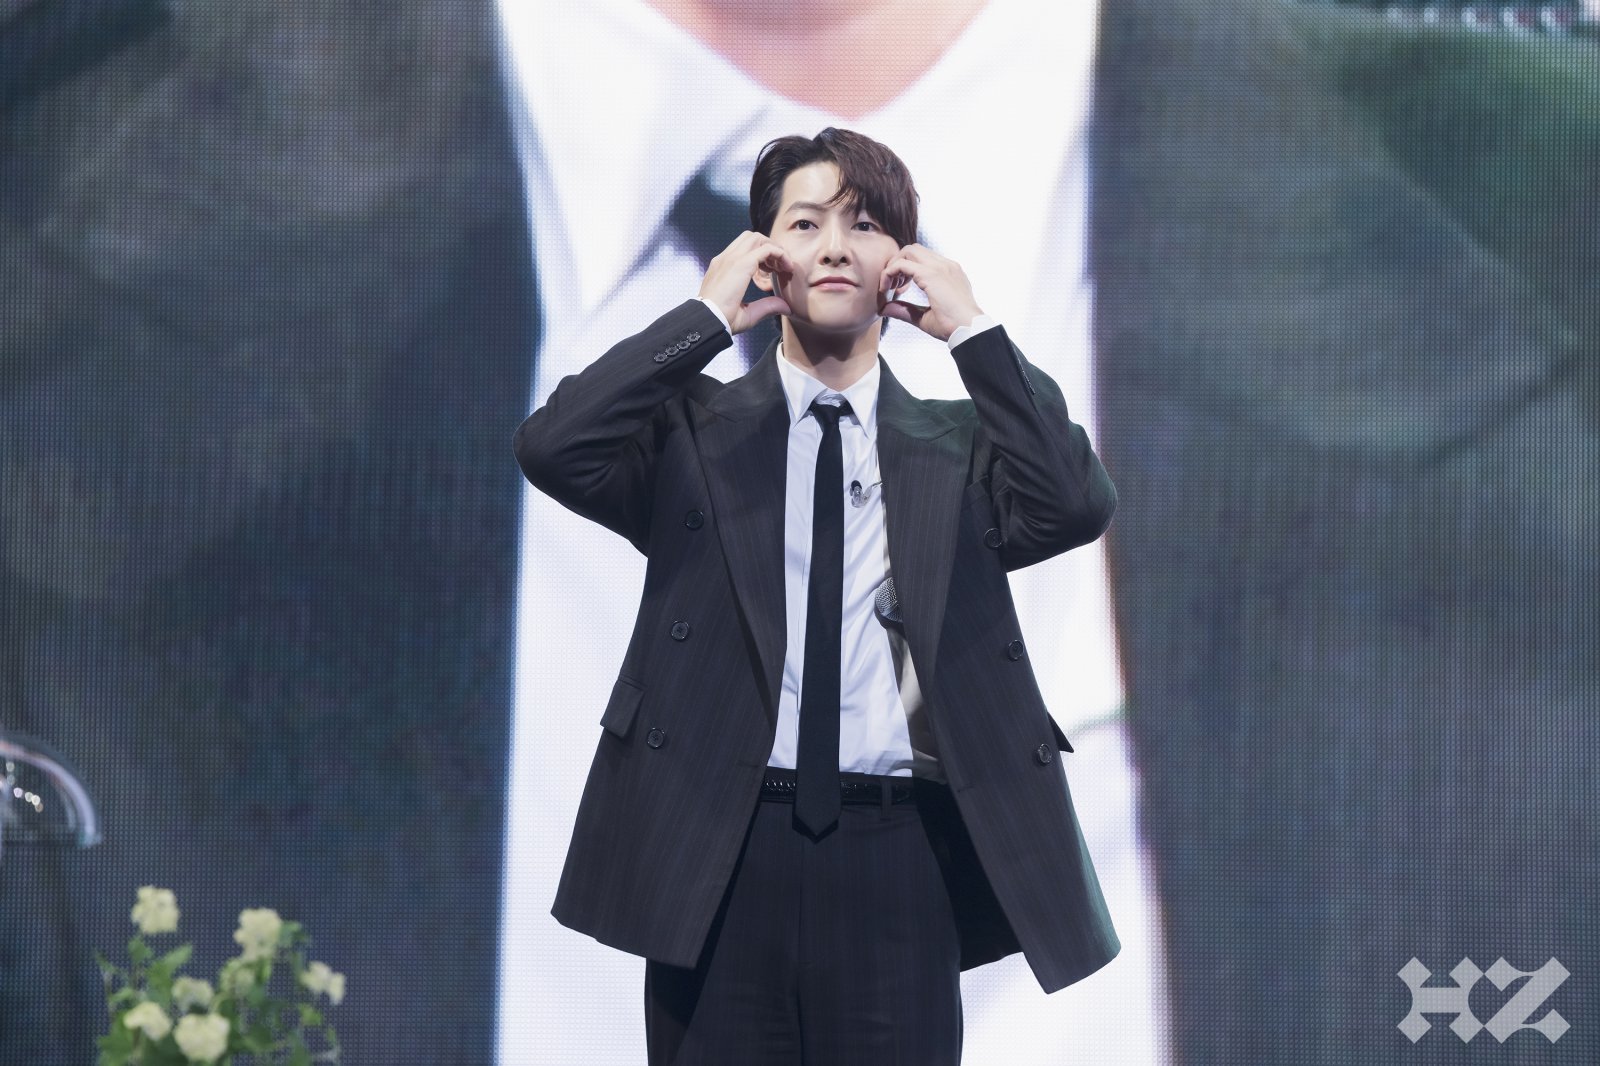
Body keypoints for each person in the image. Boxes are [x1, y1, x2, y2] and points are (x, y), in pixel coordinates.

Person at [514, 128, 1120, 1064]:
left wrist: (974, 333)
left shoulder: (955, 447)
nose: (835, 246)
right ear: (764, 255)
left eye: (865, 225)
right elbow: (556, 446)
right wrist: (703, 318)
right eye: (806, 224)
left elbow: (1073, 502)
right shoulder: (694, 434)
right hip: (719, 851)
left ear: (900, 265)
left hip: (900, 858)